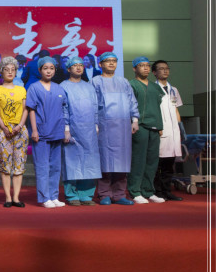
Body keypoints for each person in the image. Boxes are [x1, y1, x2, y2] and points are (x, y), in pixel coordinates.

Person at [92, 52, 139, 205]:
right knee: (105, 161)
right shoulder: (95, 81)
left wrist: (135, 119)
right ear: (100, 64)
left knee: (122, 161)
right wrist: (95, 123)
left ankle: (119, 194)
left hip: (123, 125)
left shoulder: (123, 82)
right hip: (104, 125)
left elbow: (132, 101)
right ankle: (104, 194)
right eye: (108, 61)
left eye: (114, 61)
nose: (111, 63)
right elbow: (93, 104)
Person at [60, 57, 101, 206]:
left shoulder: (89, 87)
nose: (78, 68)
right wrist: (66, 128)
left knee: (90, 160)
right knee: (71, 162)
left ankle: (86, 195)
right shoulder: (63, 86)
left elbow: (95, 106)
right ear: (68, 69)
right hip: (72, 128)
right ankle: (71, 195)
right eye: (74, 65)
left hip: (89, 129)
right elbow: (63, 109)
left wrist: (95, 123)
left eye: (80, 65)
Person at [26, 57, 67, 208]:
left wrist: (65, 130)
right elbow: (31, 109)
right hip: (41, 132)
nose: (48, 71)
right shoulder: (34, 88)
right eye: (45, 68)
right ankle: (44, 197)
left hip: (57, 131)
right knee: (42, 166)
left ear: (55, 70)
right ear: (39, 70)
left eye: (51, 68)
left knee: (56, 167)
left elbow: (64, 109)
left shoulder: (59, 88)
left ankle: (54, 196)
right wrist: (34, 130)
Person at [0, 56, 29, 208]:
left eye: (13, 70)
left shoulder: (21, 90)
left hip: (20, 130)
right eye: (6, 69)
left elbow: (25, 109)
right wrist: (4, 127)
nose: (10, 72)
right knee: (5, 165)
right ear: (1, 72)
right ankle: (7, 197)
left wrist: (20, 126)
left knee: (19, 165)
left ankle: (16, 198)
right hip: (3, 130)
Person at [128, 56, 166, 204]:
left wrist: (160, 126)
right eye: (141, 65)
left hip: (155, 126)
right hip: (140, 126)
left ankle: (148, 191)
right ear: (134, 68)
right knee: (138, 160)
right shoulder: (131, 85)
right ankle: (135, 191)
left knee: (152, 161)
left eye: (148, 65)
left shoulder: (156, 87)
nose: (145, 68)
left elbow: (157, 106)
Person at [152, 60, 184, 201]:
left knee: (169, 163)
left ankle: (167, 191)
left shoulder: (173, 89)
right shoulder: (152, 89)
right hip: (160, 130)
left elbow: (175, 109)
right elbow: (152, 111)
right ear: (154, 72)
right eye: (161, 68)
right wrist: (157, 127)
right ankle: (157, 191)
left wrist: (180, 129)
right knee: (157, 163)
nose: (165, 71)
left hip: (173, 131)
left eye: (167, 68)